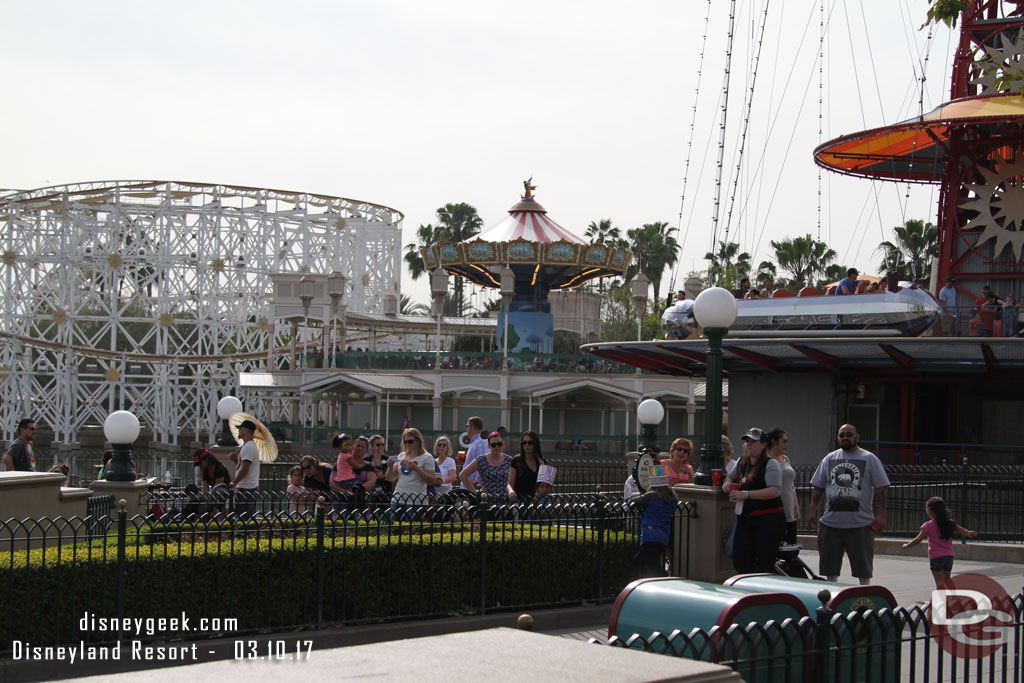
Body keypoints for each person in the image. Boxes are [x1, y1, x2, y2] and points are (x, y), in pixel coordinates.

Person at [807, 424, 889, 585]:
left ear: (857, 437)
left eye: (849, 435)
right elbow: (818, 487)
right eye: (842, 435)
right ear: (838, 438)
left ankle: (864, 597)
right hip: (831, 523)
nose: (845, 438)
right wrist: (812, 510)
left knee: (863, 569)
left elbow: (881, 489)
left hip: (860, 524)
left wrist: (881, 516)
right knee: (830, 569)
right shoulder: (830, 458)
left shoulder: (869, 458)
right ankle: (831, 600)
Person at [723, 427, 786, 573]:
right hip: (745, 518)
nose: (749, 444)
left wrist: (746, 494)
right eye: (747, 441)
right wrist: (727, 483)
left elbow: (774, 491)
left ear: (763, 445)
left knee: (765, 563)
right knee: (739, 559)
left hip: (768, 519)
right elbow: (730, 476)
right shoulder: (741, 461)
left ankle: (764, 592)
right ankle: (750, 587)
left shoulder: (770, 463)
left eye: (754, 441)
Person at [901, 496, 977, 588]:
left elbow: (918, 540)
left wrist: (907, 545)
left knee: (940, 583)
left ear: (930, 511)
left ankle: (942, 601)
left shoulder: (928, 525)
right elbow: (962, 531)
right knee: (947, 580)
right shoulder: (949, 523)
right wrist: (969, 533)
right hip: (949, 556)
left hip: (936, 557)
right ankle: (954, 599)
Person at [629, 466, 677, 579]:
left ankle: (665, 580)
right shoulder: (672, 498)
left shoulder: (652, 496)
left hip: (650, 536)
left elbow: (633, 501)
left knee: (651, 566)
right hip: (663, 536)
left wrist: (637, 496)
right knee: (640, 562)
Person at [386, 428, 438, 519]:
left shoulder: (426, 457)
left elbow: (432, 480)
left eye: (410, 441)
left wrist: (416, 468)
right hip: (398, 498)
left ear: (418, 441)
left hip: (416, 501)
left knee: (411, 531)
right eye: (405, 442)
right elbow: (391, 478)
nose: (407, 444)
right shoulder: (401, 456)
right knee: (394, 530)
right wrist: (390, 466)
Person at [765, 428, 800, 544]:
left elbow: (791, 485)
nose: (786, 444)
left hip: (789, 508)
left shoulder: (785, 459)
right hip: (774, 511)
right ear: (774, 442)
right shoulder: (766, 460)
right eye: (784, 441)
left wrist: (796, 505)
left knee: (790, 547)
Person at [458, 431, 512, 502]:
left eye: (499, 444)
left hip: (506, 501)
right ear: (489, 446)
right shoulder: (482, 460)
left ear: (503, 444)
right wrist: (475, 493)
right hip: (486, 502)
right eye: (493, 445)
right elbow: (462, 475)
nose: (497, 447)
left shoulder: (509, 460)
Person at [230, 419, 261, 515]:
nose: (239, 431)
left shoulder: (248, 447)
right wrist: (235, 460)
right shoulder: (247, 446)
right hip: (246, 487)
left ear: (247, 430)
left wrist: (233, 483)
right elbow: (243, 466)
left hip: (247, 488)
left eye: (241, 429)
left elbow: (245, 469)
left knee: (244, 517)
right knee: (243, 516)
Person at [509, 430, 546, 502]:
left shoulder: (542, 462)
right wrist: (511, 492)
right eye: (524, 443)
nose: (526, 445)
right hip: (520, 499)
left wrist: (542, 463)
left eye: (530, 443)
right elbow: (509, 484)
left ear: (536, 444)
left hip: (537, 500)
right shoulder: (516, 460)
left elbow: (545, 483)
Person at [460, 416, 486, 490]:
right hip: (469, 487)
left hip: (472, 488)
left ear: (471, 427)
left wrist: (477, 481)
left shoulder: (480, 442)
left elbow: (483, 462)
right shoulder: (476, 442)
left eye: (466, 426)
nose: (466, 429)